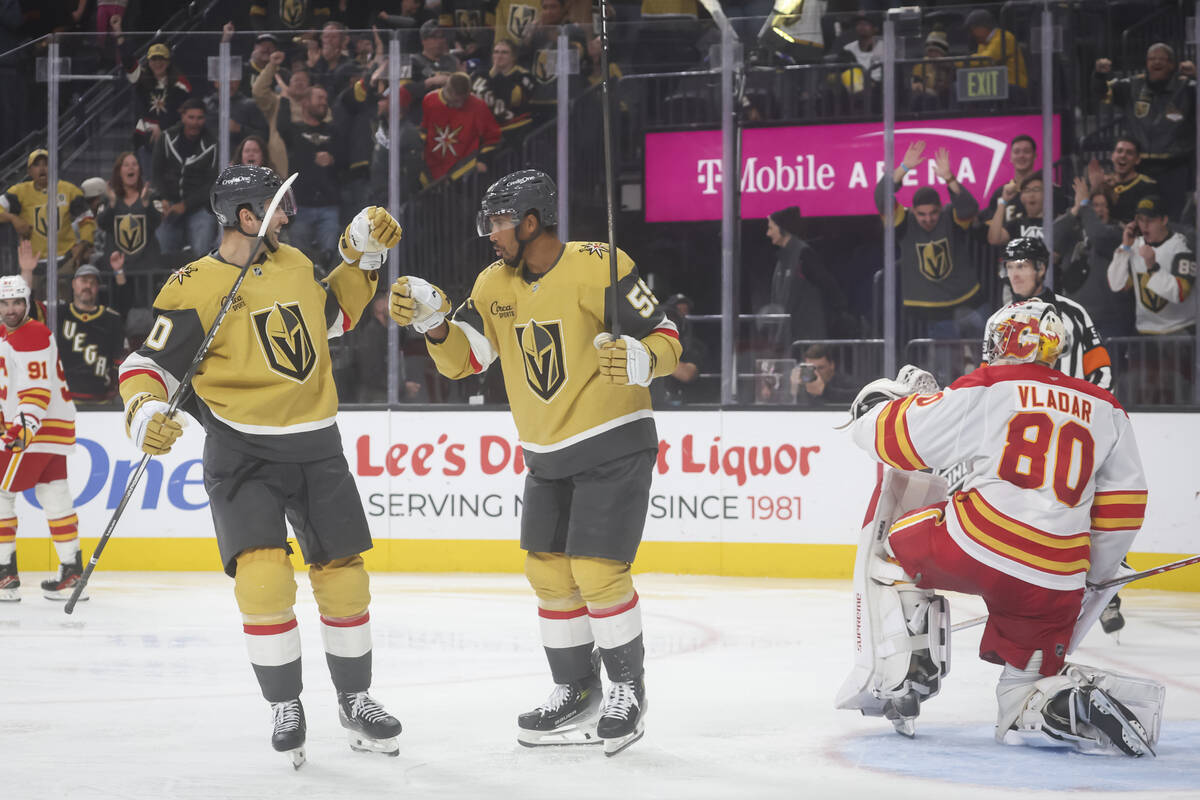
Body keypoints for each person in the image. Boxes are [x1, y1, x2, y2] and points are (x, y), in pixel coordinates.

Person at [116, 164, 404, 767]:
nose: (288, 215)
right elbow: (147, 365)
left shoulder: (297, 264)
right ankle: (285, 702)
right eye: (278, 207)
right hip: (241, 449)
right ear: (246, 216)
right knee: (264, 578)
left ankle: (356, 699)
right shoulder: (192, 285)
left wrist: (365, 261)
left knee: (344, 576)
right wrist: (143, 410)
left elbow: (335, 320)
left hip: (316, 443)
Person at [389, 169, 681, 756]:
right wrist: (435, 324)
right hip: (547, 454)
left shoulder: (602, 263)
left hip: (615, 440)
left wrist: (642, 359)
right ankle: (576, 692)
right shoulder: (493, 283)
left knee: (598, 571)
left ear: (530, 222)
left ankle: (627, 690)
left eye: (499, 221)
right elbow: (467, 361)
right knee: (549, 574)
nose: (490, 233)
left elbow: (668, 335)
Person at [837, 299, 1159, 758]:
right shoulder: (1107, 409)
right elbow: (1123, 508)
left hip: (980, 546)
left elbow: (899, 440)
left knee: (892, 548)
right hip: (1056, 580)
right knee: (1019, 698)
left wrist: (874, 411)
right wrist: (1094, 573)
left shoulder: (992, 386)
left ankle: (906, 670)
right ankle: (1060, 701)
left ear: (1009, 340)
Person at [0, 274, 83, 603]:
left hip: (33, 432)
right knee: (55, 495)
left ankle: (5, 575)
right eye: (4, 303)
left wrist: (23, 429)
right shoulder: (13, 334)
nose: (10, 309)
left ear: (27, 302)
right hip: (51, 431)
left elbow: (36, 390)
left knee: (1, 495)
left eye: (16, 302)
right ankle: (71, 570)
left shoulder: (31, 333)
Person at [875, 141, 984, 341]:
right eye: (922, 214)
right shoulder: (904, 221)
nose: (928, 219)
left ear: (940, 207)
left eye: (933, 212)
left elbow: (969, 208)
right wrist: (904, 168)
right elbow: (881, 197)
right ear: (913, 211)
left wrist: (949, 178)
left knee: (988, 361)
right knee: (945, 368)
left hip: (969, 302)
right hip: (929, 312)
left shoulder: (950, 215)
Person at [1094, 43, 1196, 217]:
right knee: (1140, 218)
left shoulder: (1188, 87)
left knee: (1172, 220)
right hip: (1140, 169)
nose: (1156, 62)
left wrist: (1197, 76)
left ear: (1173, 64)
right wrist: (1099, 75)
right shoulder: (1132, 85)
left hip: (1174, 168)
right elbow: (1101, 93)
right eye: (1152, 59)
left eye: (1162, 59)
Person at [1001, 237, 1112, 390]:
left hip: (1068, 411)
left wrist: (1091, 410)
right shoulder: (999, 320)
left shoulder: (1074, 313)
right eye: (1010, 267)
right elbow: (987, 379)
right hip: (1021, 413)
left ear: (1041, 269)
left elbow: (1102, 371)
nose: (1014, 275)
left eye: (1022, 267)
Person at [1055, 179, 1134, 340]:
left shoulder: (1118, 233)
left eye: (1104, 206)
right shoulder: (1074, 230)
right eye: (1095, 205)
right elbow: (1050, 238)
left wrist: (1085, 205)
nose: (1099, 210)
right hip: (1073, 315)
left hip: (1107, 319)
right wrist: (1076, 208)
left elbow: (1098, 236)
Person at [0, 149, 96, 282]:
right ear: (29, 171)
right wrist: (13, 218)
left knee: (64, 302)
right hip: (32, 264)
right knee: (31, 302)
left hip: (66, 262)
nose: (42, 168)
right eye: (37, 164)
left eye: (46, 163)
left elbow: (87, 218)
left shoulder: (68, 190)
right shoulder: (19, 192)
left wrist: (83, 243)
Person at [1107, 194, 1196, 336]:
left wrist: (1152, 267)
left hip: (1179, 330)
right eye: (1140, 220)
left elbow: (1180, 293)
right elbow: (1117, 285)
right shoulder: (1135, 245)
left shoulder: (1182, 247)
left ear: (1164, 220)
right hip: (1145, 332)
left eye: (1150, 220)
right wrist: (1124, 248)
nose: (1144, 226)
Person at [278, 84, 343, 266]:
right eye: (319, 98)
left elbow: (346, 159)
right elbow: (281, 126)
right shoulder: (295, 131)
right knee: (299, 258)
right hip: (301, 205)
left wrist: (333, 159)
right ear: (306, 103)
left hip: (329, 204)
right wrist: (284, 99)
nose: (324, 102)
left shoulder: (333, 131)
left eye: (325, 98)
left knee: (330, 256)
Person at [118, 39, 194, 180]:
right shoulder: (141, 79)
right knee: (149, 180)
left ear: (169, 61)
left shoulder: (180, 84)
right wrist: (120, 38)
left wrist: (163, 127)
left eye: (162, 59)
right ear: (148, 61)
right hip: (145, 140)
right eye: (154, 59)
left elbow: (184, 112)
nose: (158, 63)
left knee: (171, 179)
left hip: (172, 141)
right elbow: (128, 62)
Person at [153, 99, 219, 256]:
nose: (195, 123)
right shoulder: (166, 137)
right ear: (182, 117)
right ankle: (165, 280)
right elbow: (156, 173)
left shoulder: (213, 144)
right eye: (191, 117)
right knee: (163, 244)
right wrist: (162, 199)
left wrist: (186, 205)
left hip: (199, 207)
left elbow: (212, 183)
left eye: (200, 118)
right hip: (170, 204)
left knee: (202, 248)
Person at [420, 72, 501, 184]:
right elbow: (423, 131)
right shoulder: (430, 100)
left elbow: (492, 137)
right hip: (432, 163)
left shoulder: (478, 106)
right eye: (456, 101)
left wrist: (483, 160)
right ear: (447, 91)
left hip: (464, 169)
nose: (459, 104)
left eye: (463, 100)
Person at [766, 206, 827, 343]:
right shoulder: (782, 260)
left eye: (771, 228)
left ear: (783, 229)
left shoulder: (804, 254)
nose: (768, 233)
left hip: (804, 341)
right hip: (789, 341)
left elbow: (827, 288)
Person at [472, 39, 537, 144]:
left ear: (514, 57)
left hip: (511, 130)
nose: (499, 56)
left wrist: (496, 76)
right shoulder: (481, 73)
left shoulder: (523, 76)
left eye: (504, 52)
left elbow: (515, 99)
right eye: (496, 52)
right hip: (481, 130)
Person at [1088, 137, 1159, 224]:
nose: (1123, 155)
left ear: (1137, 160)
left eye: (1129, 153)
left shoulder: (1148, 186)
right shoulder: (1103, 183)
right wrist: (1095, 187)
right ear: (1112, 156)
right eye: (1119, 151)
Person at [965, 8, 1027, 94]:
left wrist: (958, 62)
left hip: (1013, 86)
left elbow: (987, 59)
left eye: (972, 29)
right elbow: (979, 66)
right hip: (994, 86)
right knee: (962, 88)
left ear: (983, 27)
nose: (971, 34)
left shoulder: (1004, 37)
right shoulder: (982, 44)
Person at [987, 174, 1046, 248]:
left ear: (1046, 194)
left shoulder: (1055, 222)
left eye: (1036, 189)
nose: (1031, 195)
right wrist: (1003, 201)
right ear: (1022, 197)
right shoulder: (1017, 223)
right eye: (1027, 190)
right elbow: (994, 239)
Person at [789, 343, 856, 407]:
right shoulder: (801, 381)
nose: (816, 373)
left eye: (820, 368)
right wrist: (793, 389)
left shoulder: (845, 382)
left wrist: (825, 391)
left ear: (832, 365)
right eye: (811, 369)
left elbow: (859, 397)